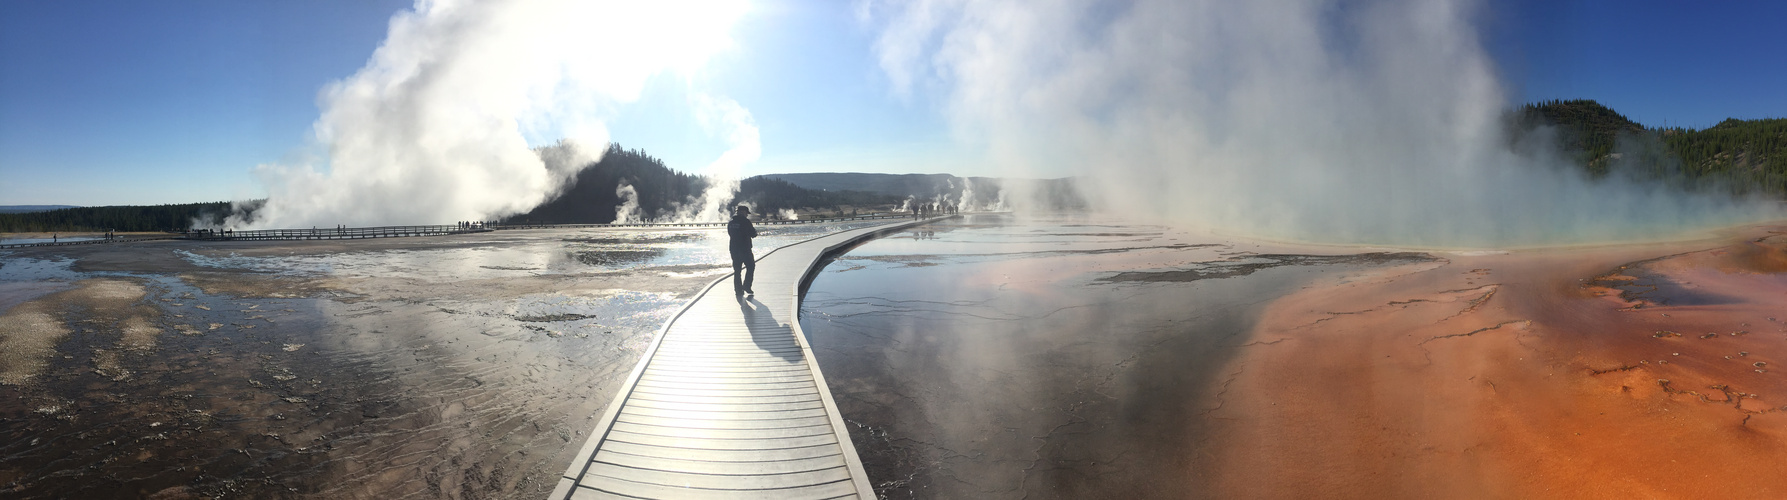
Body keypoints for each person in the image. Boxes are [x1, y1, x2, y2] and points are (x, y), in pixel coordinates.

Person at [728, 205, 758, 295]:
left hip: (734, 249)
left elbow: (730, 234)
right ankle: (747, 286)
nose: (747, 215)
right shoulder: (746, 222)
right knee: (751, 267)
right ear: (743, 212)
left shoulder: (731, 223)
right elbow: (753, 233)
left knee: (737, 271)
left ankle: (738, 290)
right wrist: (754, 233)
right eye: (746, 213)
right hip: (745, 249)